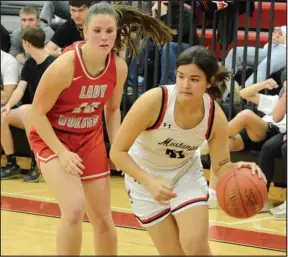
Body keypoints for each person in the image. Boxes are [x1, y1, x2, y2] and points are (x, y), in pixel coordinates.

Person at [29, 2, 175, 255]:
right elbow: (37, 114)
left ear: (117, 32)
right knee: (74, 209)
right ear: (84, 31)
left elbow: (112, 109)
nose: (104, 37)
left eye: (110, 31)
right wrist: (62, 153)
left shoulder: (118, 68)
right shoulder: (65, 66)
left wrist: (117, 148)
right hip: (52, 137)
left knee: (104, 219)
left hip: (89, 138)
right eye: (97, 30)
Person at [110, 46, 266, 256]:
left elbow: (220, 165)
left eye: (194, 79)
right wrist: (149, 181)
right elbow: (117, 153)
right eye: (181, 76)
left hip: (185, 175)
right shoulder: (154, 100)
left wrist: (238, 168)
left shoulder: (214, 116)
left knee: (195, 245)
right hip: (143, 179)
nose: (185, 84)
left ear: (209, 82)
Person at [1, 27, 56, 182]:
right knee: (3, 116)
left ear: (26, 44)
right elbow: (20, 90)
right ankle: (11, 163)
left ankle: (37, 164)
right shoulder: (30, 64)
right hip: (34, 111)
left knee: (27, 111)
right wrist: (8, 106)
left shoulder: (52, 64)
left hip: (50, 113)